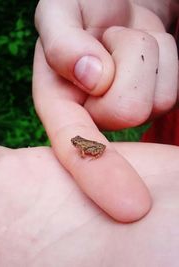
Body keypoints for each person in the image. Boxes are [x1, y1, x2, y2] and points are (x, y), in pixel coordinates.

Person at [33, 0, 179, 222]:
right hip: (163, 138)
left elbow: (87, 151)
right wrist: (143, 8)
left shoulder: (83, 148)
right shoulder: (81, 144)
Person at [0, 140, 179, 266]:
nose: (75, 146)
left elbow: (85, 152)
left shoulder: (82, 149)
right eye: (76, 144)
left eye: (75, 144)